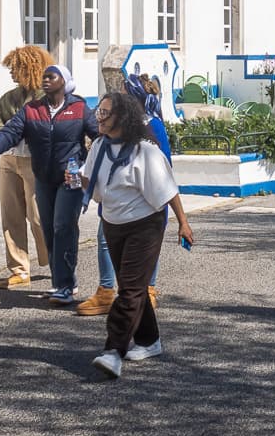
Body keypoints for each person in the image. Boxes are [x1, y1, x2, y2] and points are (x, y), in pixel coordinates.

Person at [82, 91, 195, 379]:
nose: (100, 117)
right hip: (113, 223)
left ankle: (113, 351)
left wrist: (183, 223)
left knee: (129, 290)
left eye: (106, 113)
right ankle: (149, 340)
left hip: (145, 225)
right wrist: (76, 179)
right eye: (99, 111)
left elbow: (169, 189)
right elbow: (93, 183)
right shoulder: (99, 147)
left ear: (122, 117)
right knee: (134, 287)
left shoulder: (145, 151)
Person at [0, 63, 97, 304]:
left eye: (51, 77)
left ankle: (65, 285)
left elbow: (99, 135)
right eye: (44, 77)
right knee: (48, 228)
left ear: (64, 82)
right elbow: (11, 132)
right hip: (43, 178)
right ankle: (62, 282)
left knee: (63, 226)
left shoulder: (79, 107)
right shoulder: (32, 110)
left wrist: (90, 166)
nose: (45, 80)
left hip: (71, 177)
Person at [0, 46, 53, 289]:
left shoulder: (46, 97)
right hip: (8, 159)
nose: (12, 73)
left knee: (37, 216)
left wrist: (16, 131)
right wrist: (8, 134)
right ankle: (19, 269)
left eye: (16, 68)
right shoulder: (8, 98)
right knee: (10, 215)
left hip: (34, 161)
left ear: (30, 68)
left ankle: (54, 259)